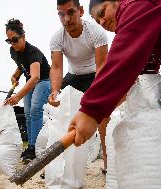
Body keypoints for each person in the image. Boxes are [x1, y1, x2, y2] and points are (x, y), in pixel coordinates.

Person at [68, 0, 161, 188]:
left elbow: (124, 58)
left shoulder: (136, 4)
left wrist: (91, 110)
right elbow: (137, 73)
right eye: (98, 21)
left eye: (102, 12)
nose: (102, 22)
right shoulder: (146, 25)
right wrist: (106, 107)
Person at [48, 0, 109, 172]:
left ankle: (106, 160)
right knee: (59, 112)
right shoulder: (57, 37)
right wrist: (55, 91)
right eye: (61, 14)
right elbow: (57, 67)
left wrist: (96, 98)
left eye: (71, 12)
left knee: (102, 117)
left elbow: (102, 66)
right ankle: (57, 163)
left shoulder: (96, 32)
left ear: (81, 11)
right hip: (73, 76)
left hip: (95, 75)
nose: (66, 19)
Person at [4, 19, 51, 161]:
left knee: (35, 110)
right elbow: (21, 65)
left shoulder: (33, 52)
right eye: (9, 41)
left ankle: (35, 148)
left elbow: (36, 76)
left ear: (23, 37)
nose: (12, 43)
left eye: (15, 40)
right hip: (30, 81)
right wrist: (16, 75)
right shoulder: (13, 51)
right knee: (27, 113)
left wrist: (18, 96)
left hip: (43, 81)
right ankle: (31, 146)